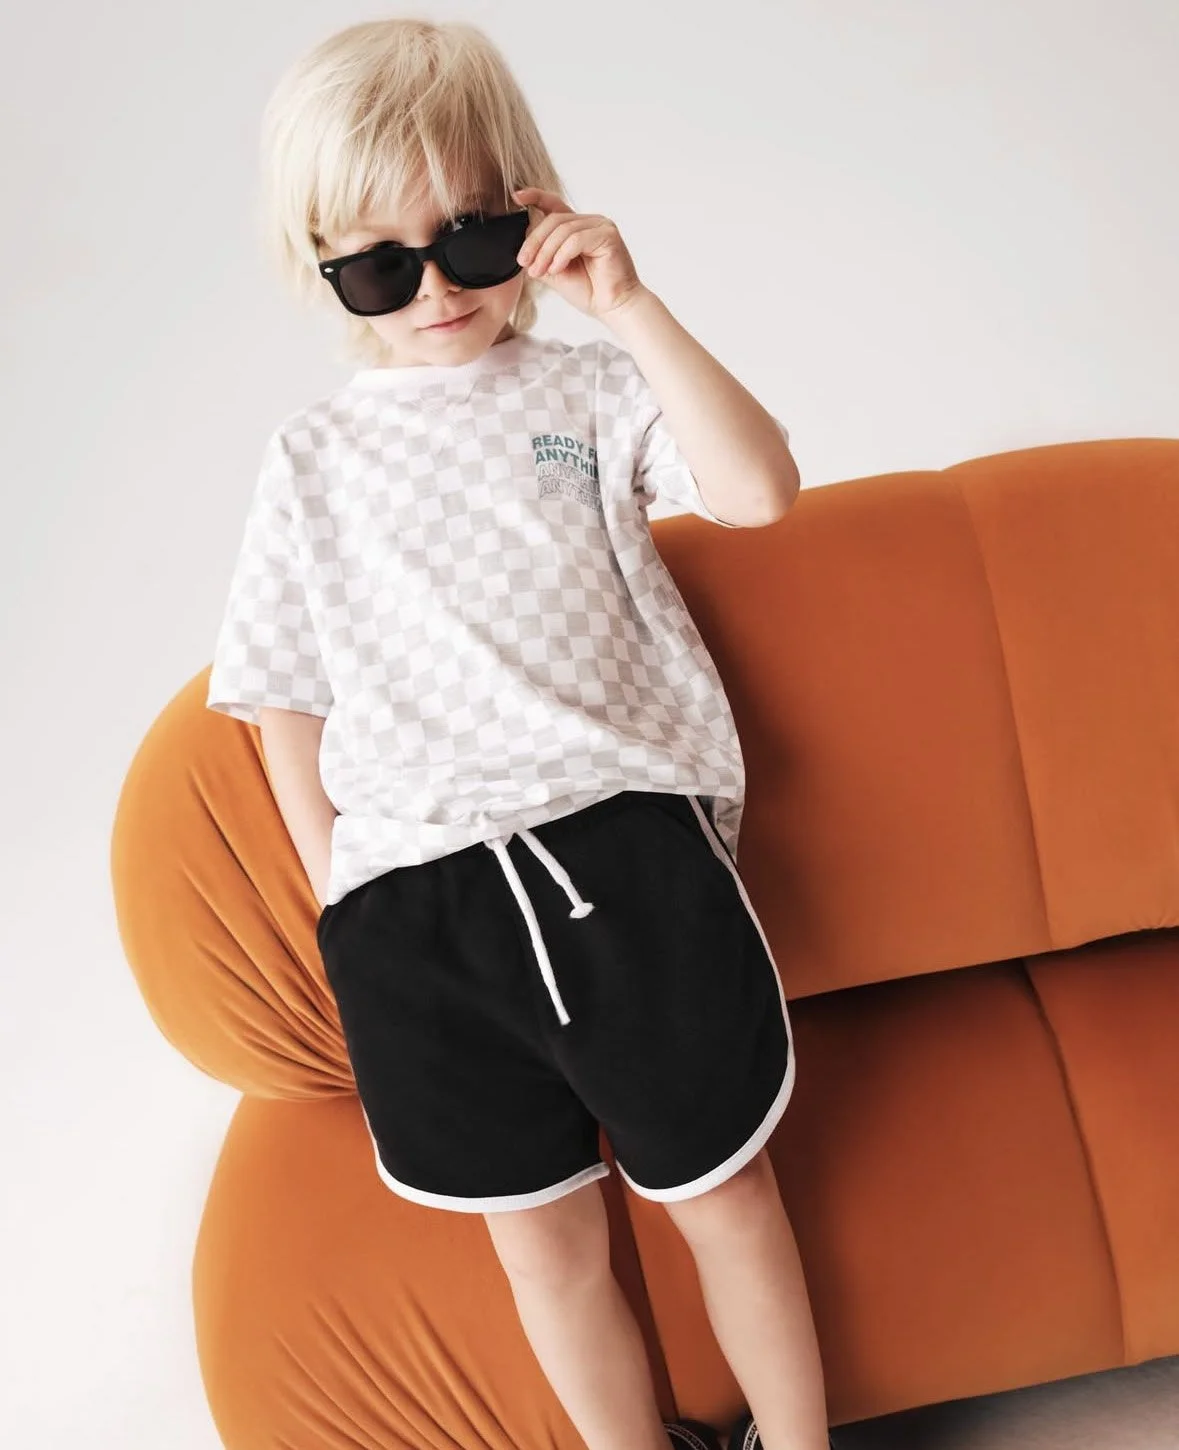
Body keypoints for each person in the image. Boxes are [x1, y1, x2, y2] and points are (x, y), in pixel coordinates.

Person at [206, 17, 835, 1450]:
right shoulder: (310, 460)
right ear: (321, 264)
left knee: (724, 1194)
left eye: (469, 239)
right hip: (415, 908)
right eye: (378, 265)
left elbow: (757, 491)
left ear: (528, 211)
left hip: (620, 856)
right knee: (542, 1247)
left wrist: (632, 306)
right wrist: (338, 895)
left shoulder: (591, 391)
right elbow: (281, 695)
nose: (433, 289)